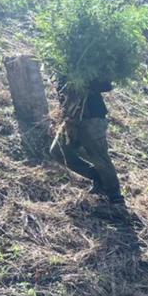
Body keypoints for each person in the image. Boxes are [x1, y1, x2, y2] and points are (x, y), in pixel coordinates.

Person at [51, 78, 124, 206]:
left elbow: (107, 84)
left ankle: (115, 196)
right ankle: (97, 177)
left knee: (100, 158)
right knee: (58, 150)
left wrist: (86, 82)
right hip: (71, 120)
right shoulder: (60, 69)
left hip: (92, 118)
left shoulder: (89, 65)